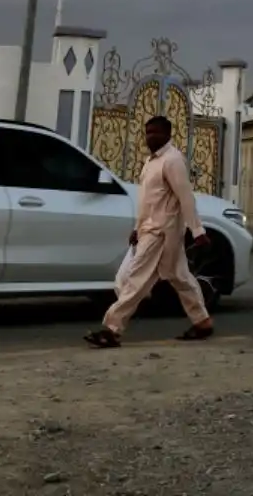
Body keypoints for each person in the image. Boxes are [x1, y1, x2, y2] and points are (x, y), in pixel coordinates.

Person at [84, 115, 214, 347]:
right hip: (149, 229)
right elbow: (148, 201)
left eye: (155, 132)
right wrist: (137, 227)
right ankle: (202, 321)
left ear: (168, 134)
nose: (150, 137)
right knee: (179, 277)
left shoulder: (172, 160)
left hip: (161, 232)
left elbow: (186, 197)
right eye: (147, 133)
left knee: (135, 278)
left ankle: (111, 329)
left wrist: (197, 230)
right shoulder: (150, 162)